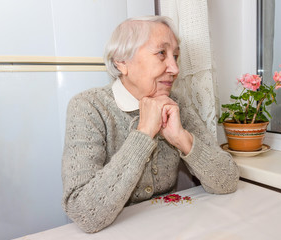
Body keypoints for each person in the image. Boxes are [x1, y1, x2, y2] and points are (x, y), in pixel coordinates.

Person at [61, 15, 239, 233]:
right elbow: (84, 213)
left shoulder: (177, 102)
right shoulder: (89, 106)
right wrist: (143, 133)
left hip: (169, 227)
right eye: (161, 53)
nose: (174, 68)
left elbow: (228, 181)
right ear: (122, 61)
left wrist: (182, 139)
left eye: (175, 56)